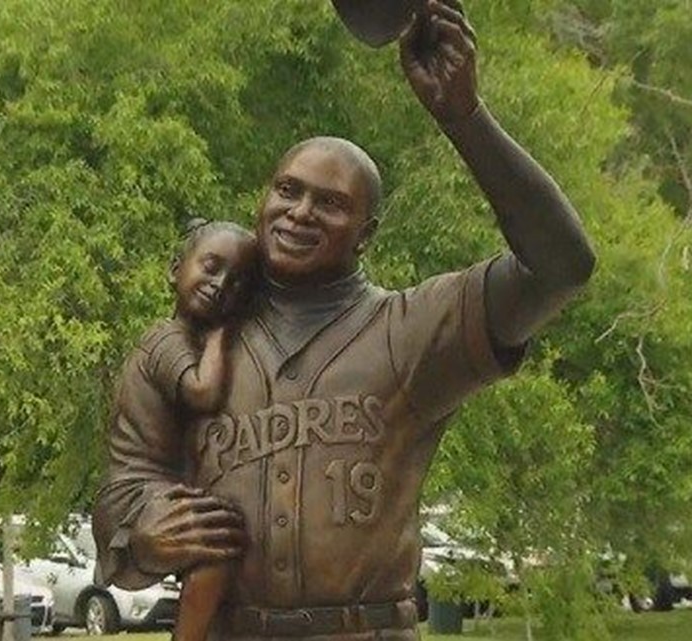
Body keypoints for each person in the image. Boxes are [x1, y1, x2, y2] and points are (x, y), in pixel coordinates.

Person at [94, 1, 596, 639]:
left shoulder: (411, 331)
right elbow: (123, 489)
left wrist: (464, 117)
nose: (300, 212)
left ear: (367, 233)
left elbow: (561, 266)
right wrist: (144, 535)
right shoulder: (184, 342)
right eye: (287, 190)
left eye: (330, 204)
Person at [104, 219, 257, 641]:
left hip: (155, 485)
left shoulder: (177, 340)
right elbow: (204, 392)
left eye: (238, 283)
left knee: (212, 544)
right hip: (137, 492)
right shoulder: (166, 339)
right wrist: (220, 336)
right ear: (176, 268)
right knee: (215, 548)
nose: (220, 284)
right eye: (211, 266)